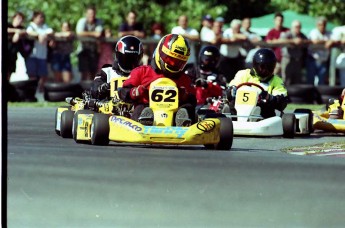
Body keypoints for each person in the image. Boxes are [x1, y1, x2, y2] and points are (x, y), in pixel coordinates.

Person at [118, 34, 196, 127]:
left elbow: (193, 100)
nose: (173, 65)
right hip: (147, 108)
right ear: (160, 52)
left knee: (188, 108)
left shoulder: (184, 78)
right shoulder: (142, 72)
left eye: (178, 62)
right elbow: (122, 92)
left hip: (174, 114)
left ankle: (182, 122)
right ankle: (145, 120)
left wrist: (185, 96)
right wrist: (135, 92)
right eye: (170, 60)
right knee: (141, 107)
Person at [226, 48, 289, 119]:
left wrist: (268, 97)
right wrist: (232, 90)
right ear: (255, 65)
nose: (264, 70)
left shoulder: (276, 80)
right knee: (231, 102)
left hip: (263, 113)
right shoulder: (244, 74)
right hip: (239, 108)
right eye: (262, 66)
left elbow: (282, 100)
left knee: (268, 107)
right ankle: (233, 117)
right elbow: (233, 86)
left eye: (268, 67)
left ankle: (254, 118)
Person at [90, 35, 143, 100]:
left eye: (132, 59)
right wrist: (103, 88)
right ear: (118, 55)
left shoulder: (143, 74)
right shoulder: (107, 72)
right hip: (109, 108)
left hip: (135, 108)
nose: (128, 62)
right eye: (126, 58)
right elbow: (94, 90)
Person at [25, 11, 54, 92]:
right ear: (34, 18)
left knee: (43, 75)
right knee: (32, 75)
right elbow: (29, 32)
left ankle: (39, 91)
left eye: (42, 17)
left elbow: (50, 31)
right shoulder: (31, 26)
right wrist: (39, 35)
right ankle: (32, 92)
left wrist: (43, 35)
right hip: (32, 55)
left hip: (42, 55)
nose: (41, 19)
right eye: (39, 17)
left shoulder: (44, 26)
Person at [76, 5, 103, 81]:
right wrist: (93, 34)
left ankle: (92, 91)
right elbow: (79, 33)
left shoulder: (98, 21)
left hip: (93, 51)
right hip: (83, 50)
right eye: (90, 13)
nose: (91, 15)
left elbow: (98, 33)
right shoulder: (82, 21)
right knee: (83, 73)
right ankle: (81, 91)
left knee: (93, 73)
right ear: (86, 14)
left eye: (93, 13)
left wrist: (88, 34)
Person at [279, 20, 309, 85]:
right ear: (292, 27)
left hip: (298, 61)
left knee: (297, 81)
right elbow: (281, 40)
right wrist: (293, 41)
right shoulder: (288, 34)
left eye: (299, 27)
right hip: (287, 60)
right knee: (286, 80)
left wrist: (302, 41)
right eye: (296, 27)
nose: (298, 28)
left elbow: (308, 42)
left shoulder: (302, 35)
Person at [306, 16, 332, 85]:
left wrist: (331, 42)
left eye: (324, 24)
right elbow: (315, 41)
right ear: (317, 25)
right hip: (313, 60)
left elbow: (335, 40)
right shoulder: (313, 32)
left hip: (323, 61)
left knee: (321, 82)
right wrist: (327, 42)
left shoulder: (329, 33)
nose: (322, 26)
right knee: (310, 82)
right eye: (320, 25)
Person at [7, 12, 32, 80]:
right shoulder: (8, 25)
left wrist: (19, 33)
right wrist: (17, 32)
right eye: (18, 18)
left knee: (8, 75)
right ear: (14, 18)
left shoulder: (22, 28)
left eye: (21, 19)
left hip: (13, 55)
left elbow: (25, 32)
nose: (20, 20)